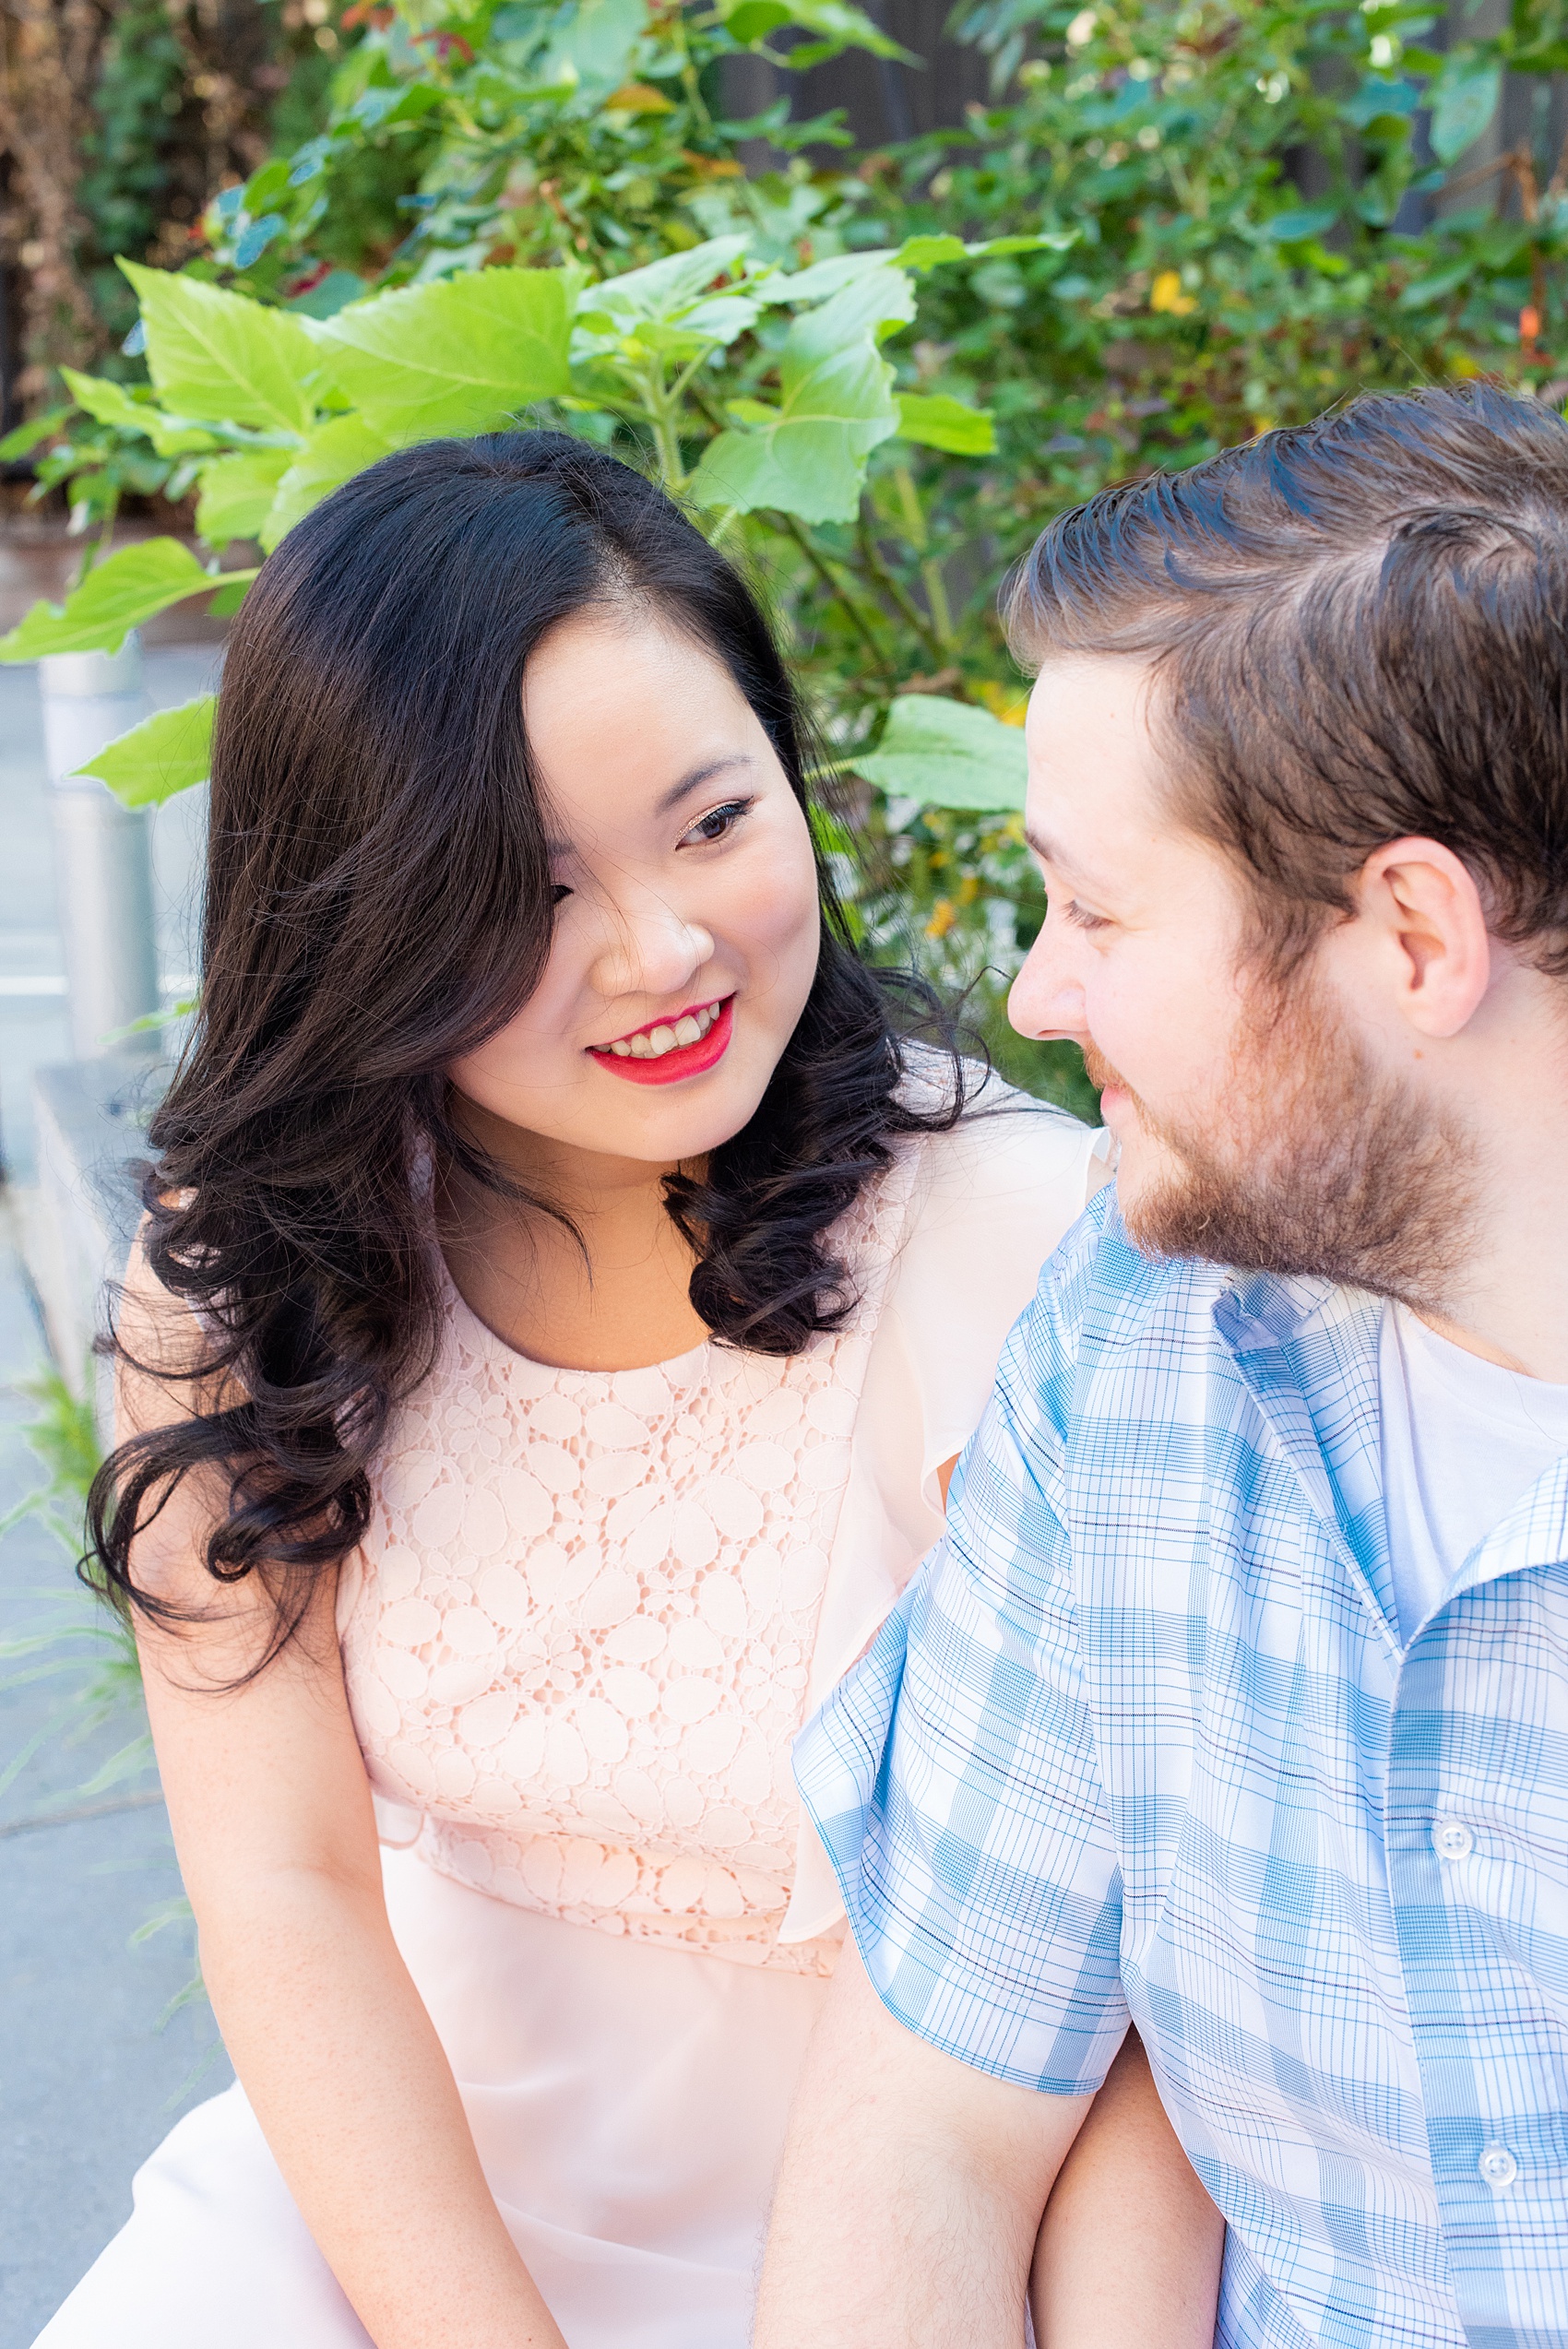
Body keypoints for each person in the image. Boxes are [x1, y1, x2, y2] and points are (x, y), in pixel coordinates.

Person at [37, 433, 1222, 2349]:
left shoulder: (1019, 1245)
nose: (660, 947)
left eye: (710, 820)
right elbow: (285, 1888)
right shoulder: (250, 1278)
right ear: (364, 910)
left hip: (900, 2226)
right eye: (526, 884)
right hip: (406, 2198)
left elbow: (1160, 1981)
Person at [757, 382, 1568, 2349]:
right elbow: (924, 2147)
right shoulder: (1133, 1353)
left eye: (1100, 908)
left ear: (1408, 931)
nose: (1036, 992)